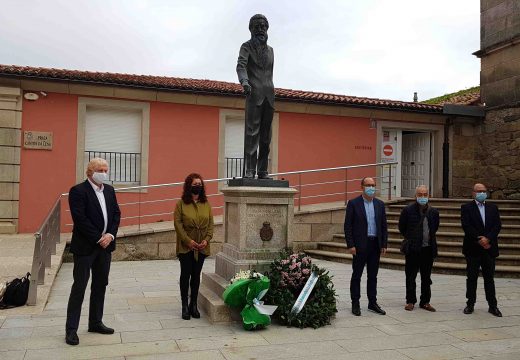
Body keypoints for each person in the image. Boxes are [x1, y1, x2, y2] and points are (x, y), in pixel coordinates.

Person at [65, 158, 121, 346]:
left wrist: (111, 235)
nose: (104, 173)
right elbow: (80, 218)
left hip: (105, 248)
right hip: (86, 247)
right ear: (90, 172)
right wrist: (99, 237)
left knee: (100, 285)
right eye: (100, 170)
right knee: (79, 287)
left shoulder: (110, 190)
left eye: (106, 169)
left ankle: (95, 322)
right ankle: (71, 329)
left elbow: (116, 214)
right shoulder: (78, 191)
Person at [236, 14, 275, 179]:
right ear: (251, 29)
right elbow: (241, 65)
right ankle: (250, 170)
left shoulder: (271, 50)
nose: (260, 29)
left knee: (266, 136)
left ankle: (263, 170)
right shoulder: (246, 47)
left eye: (263, 26)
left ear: (267, 29)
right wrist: (244, 81)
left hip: (269, 95)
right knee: (252, 134)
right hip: (253, 93)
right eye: (257, 27)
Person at [344, 177, 388, 316]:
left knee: (373, 276)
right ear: (362, 186)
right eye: (368, 185)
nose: (371, 187)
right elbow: (348, 226)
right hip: (359, 245)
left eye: (373, 185)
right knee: (357, 275)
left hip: (375, 244)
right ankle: (355, 303)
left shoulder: (380, 204)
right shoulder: (353, 203)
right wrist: (350, 244)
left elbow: (384, 226)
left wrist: (384, 244)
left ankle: (372, 302)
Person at [174, 173, 214, 320]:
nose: (198, 186)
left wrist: (206, 240)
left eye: (200, 184)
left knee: (196, 276)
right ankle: (184, 305)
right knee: (185, 275)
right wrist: (188, 241)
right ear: (189, 186)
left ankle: (194, 304)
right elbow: (178, 225)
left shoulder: (206, 204)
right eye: (195, 184)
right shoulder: (181, 204)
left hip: (202, 246)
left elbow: (211, 224)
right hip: (186, 247)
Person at [461, 183, 502, 317]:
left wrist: (488, 238)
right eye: (479, 191)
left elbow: (497, 226)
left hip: (489, 248)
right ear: (473, 193)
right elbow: (466, 226)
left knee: (489, 278)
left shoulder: (493, 208)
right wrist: (480, 239)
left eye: (483, 191)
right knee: (471, 278)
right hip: (473, 248)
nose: (481, 193)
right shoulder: (466, 208)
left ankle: (492, 305)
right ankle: (470, 304)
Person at [398, 185, 439, 312]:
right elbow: (402, 227)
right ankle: (410, 301)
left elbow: (435, 228)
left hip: (428, 249)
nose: (422, 197)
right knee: (410, 276)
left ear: (429, 196)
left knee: (426, 277)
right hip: (413, 249)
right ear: (415, 196)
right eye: (420, 194)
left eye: (425, 194)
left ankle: (425, 301)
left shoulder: (434, 212)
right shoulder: (408, 210)